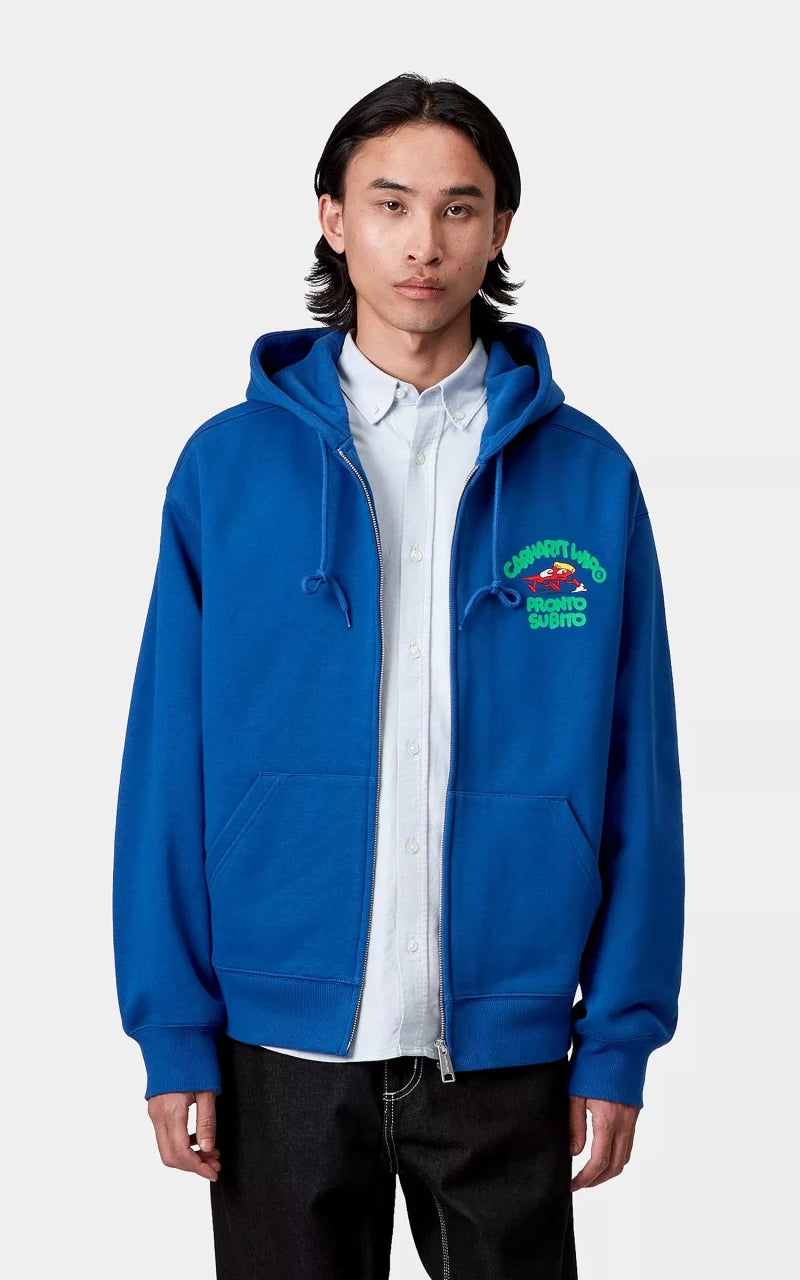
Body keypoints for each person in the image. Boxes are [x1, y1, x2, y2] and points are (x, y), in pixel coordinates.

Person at [112, 71, 685, 1280]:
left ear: (499, 227)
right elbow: (166, 768)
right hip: (274, 1051)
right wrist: (173, 1030)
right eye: (389, 204)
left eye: (458, 207)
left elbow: (640, 776)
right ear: (332, 218)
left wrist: (617, 1037)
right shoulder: (226, 470)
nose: (423, 242)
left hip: (506, 1048)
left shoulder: (588, 478)